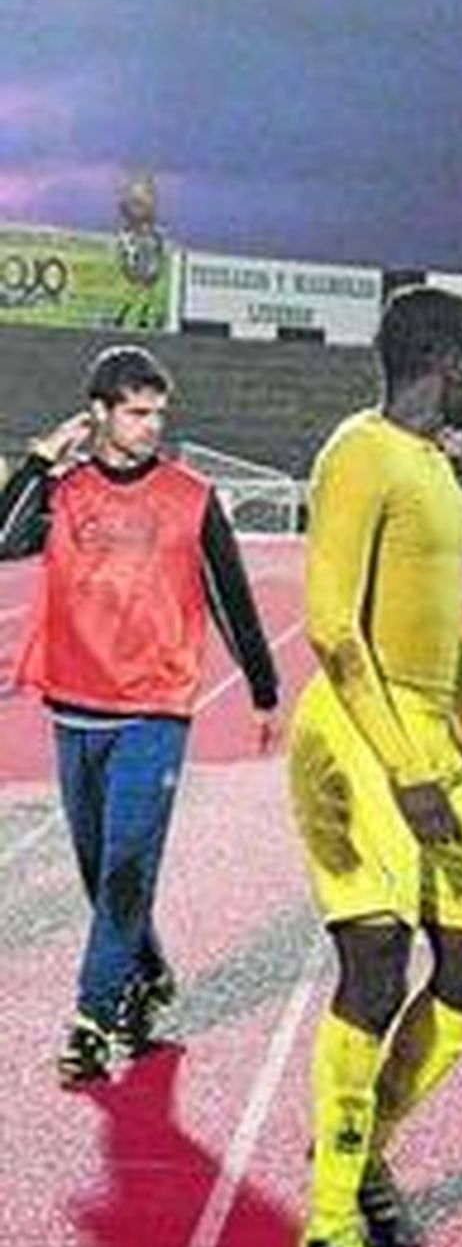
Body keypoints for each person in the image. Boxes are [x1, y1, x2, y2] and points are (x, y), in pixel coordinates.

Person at [289, 287, 462, 1247]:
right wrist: (403, 765)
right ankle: (325, 1221)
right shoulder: (358, 454)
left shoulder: (436, 468)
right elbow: (331, 632)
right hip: (355, 741)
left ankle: (361, 1153)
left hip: (431, 739)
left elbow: (443, 650)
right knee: (377, 960)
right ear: (442, 355)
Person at [1, 346, 280, 1086]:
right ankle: (147, 971)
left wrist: (263, 686)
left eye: (158, 411)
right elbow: (0, 541)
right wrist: (36, 462)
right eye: (135, 411)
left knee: (128, 866)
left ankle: (94, 1018)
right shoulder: (64, 494)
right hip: (75, 707)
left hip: (155, 709)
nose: (151, 425)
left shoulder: (191, 496)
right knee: (101, 871)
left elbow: (230, 596)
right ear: (99, 413)